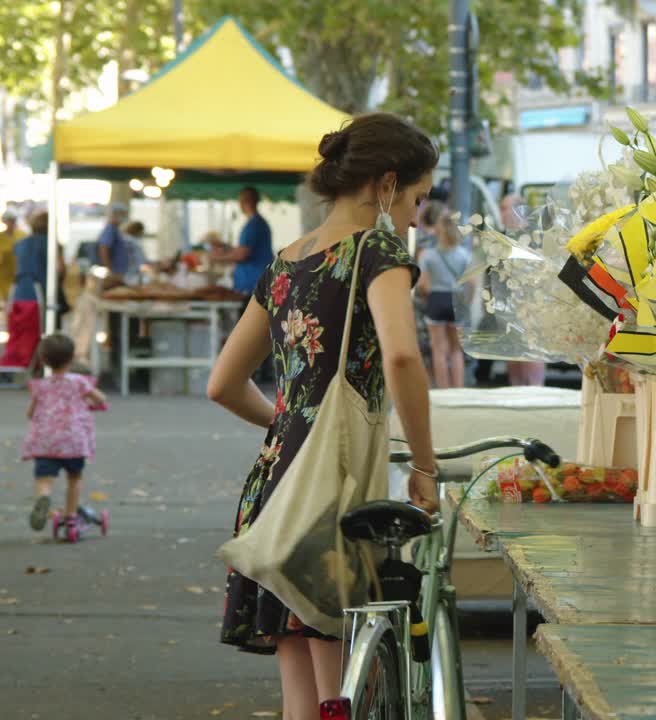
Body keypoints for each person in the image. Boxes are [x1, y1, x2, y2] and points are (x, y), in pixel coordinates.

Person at [207, 112, 440, 712]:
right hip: (332, 491)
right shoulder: (378, 250)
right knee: (342, 681)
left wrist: (291, 425)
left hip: (274, 486)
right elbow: (404, 359)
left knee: (301, 691)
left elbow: (223, 384)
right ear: (387, 184)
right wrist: (425, 466)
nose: (418, 214)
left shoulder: (286, 261)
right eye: (418, 197)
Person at [22, 334, 107, 534]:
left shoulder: (41, 386)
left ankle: (44, 497)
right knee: (74, 478)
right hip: (73, 442)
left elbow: (30, 413)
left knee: (44, 477)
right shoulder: (79, 382)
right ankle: (70, 518)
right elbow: (100, 398)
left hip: (46, 443)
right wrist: (94, 403)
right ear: (72, 358)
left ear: (44, 361)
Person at [415, 211, 471, 388]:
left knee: (438, 350)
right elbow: (472, 282)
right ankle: (459, 390)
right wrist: (467, 300)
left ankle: (443, 391)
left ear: (438, 231)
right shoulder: (464, 254)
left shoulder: (428, 255)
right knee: (456, 350)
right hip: (457, 299)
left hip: (436, 299)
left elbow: (423, 285)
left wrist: (426, 299)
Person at [1, 212, 61, 369]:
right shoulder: (50, 244)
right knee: (37, 331)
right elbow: (59, 269)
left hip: (19, 292)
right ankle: (38, 363)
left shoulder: (21, 242)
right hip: (38, 293)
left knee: (19, 331)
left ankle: (19, 361)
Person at [498, 194, 546, 386]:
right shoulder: (502, 237)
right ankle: (516, 395)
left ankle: (536, 394)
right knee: (513, 358)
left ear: (519, 210)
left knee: (533, 355)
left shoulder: (535, 237)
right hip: (508, 307)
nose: (501, 213)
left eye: (504, 208)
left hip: (533, 308)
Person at [211, 187, 275, 296]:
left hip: (253, 285)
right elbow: (245, 249)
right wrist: (225, 247)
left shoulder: (254, 225)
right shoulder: (258, 223)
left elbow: (242, 254)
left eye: (241, 200)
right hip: (256, 283)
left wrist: (217, 257)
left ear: (245, 201)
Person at [96, 203, 130, 276]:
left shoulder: (116, 230)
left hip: (120, 270)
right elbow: (103, 249)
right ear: (115, 215)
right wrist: (110, 269)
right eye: (122, 215)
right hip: (115, 271)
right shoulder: (110, 229)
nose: (124, 217)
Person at [0, 210, 22, 302]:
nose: (11, 223)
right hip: (5, 277)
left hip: (20, 275)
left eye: (13, 220)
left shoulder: (22, 235)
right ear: (4, 221)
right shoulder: (1, 237)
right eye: (9, 220)